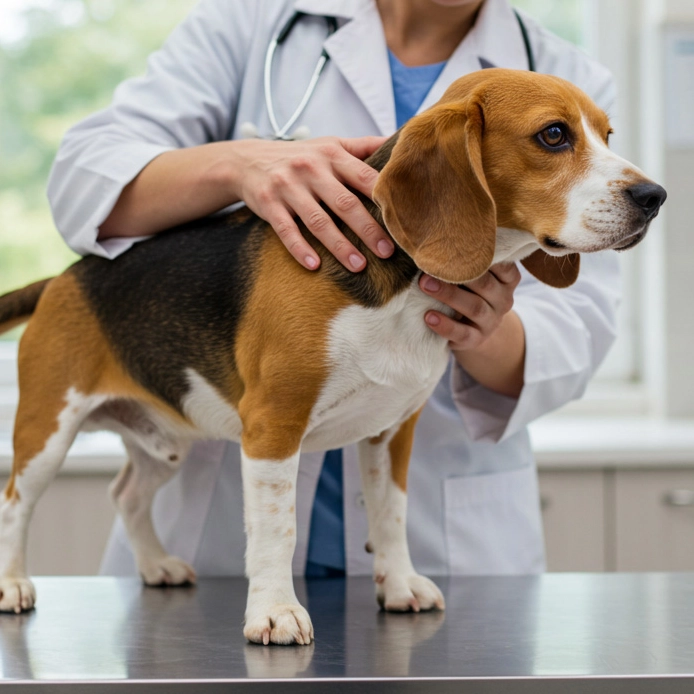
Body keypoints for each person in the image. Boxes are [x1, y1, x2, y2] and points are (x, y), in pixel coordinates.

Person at [47, 0, 620, 579]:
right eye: (552, 137)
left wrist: (478, 326)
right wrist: (238, 164)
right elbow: (82, 178)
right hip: (213, 542)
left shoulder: (566, 71)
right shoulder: (252, 23)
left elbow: (583, 326)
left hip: (445, 544)